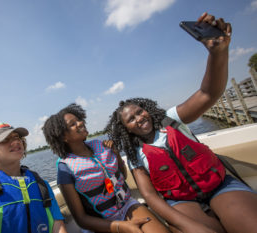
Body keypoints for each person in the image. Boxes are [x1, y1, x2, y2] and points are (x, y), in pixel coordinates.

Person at [105, 12, 257, 233]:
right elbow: (150, 197)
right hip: (181, 202)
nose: (139, 118)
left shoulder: (172, 119)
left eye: (140, 112)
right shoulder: (135, 154)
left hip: (219, 186)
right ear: (125, 128)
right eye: (131, 119)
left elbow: (208, 93)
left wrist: (218, 53)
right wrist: (187, 225)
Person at [42, 104, 170, 233]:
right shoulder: (65, 168)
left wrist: (117, 154)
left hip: (127, 206)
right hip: (99, 223)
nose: (80, 123)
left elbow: (122, 177)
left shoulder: (101, 146)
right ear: (63, 136)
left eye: (79, 120)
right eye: (73, 124)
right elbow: (81, 219)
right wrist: (121, 226)